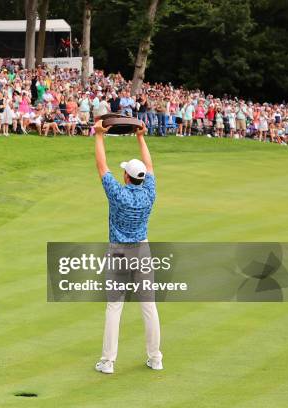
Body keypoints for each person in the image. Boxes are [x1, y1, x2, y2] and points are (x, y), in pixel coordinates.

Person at [93, 120, 162, 375]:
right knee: (149, 305)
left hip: (119, 250)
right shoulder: (149, 192)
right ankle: (155, 358)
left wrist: (99, 135)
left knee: (114, 306)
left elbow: (102, 167)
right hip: (142, 250)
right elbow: (151, 166)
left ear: (126, 176)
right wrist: (141, 138)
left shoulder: (118, 194)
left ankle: (108, 362)